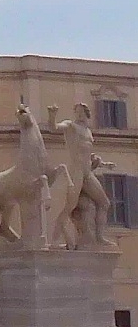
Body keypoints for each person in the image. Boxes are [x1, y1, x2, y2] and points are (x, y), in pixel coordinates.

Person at [47, 103, 116, 248]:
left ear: (86, 113)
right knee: (69, 207)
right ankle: (54, 239)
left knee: (104, 203)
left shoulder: (88, 131)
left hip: (87, 172)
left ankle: (100, 237)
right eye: (76, 111)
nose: (78, 114)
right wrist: (52, 115)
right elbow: (54, 128)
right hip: (76, 172)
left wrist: (103, 163)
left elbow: (87, 154)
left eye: (80, 112)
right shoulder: (70, 126)